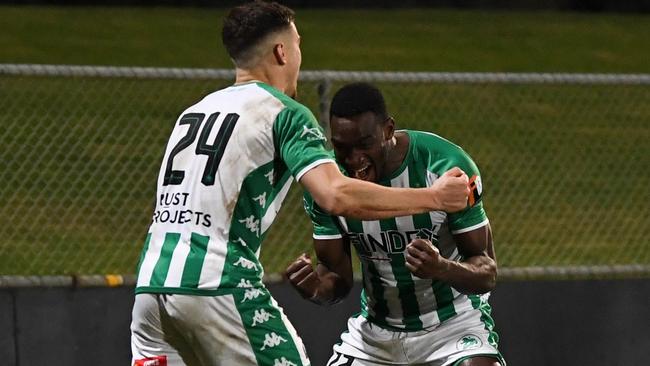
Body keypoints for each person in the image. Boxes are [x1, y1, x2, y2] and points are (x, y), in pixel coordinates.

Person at [130, 2, 471, 366]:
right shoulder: (284, 113)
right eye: (297, 45)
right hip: (217, 283)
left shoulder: (194, 112)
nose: (298, 57)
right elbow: (336, 194)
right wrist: (434, 196)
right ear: (281, 52)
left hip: (151, 287)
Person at [286, 82, 506, 366]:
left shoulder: (447, 167)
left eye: (364, 145)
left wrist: (442, 268)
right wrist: (317, 288)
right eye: (342, 148)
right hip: (375, 337)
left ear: (388, 130)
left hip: (452, 327)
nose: (354, 160)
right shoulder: (328, 186)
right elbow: (336, 280)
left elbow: (486, 272)